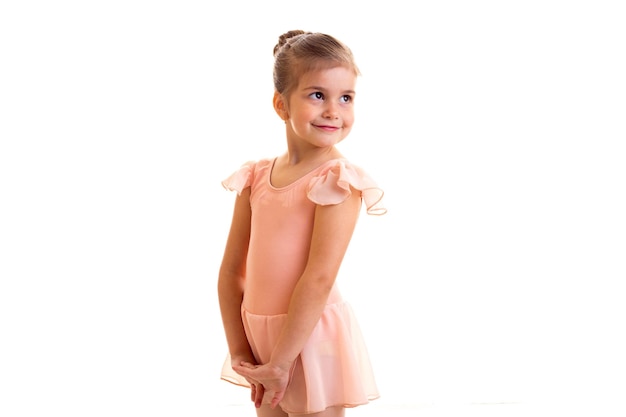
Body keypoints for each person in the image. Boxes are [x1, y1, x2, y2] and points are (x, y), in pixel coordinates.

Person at [218, 30, 386, 417]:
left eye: (346, 97)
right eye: (317, 95)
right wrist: (240, 350)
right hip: (259, 336)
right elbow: (230, 271)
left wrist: (281, 363)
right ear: (281, 105)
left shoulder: (337, 180)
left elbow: (319, 277)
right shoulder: (256, 177)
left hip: (309, 334)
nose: (334, 110)